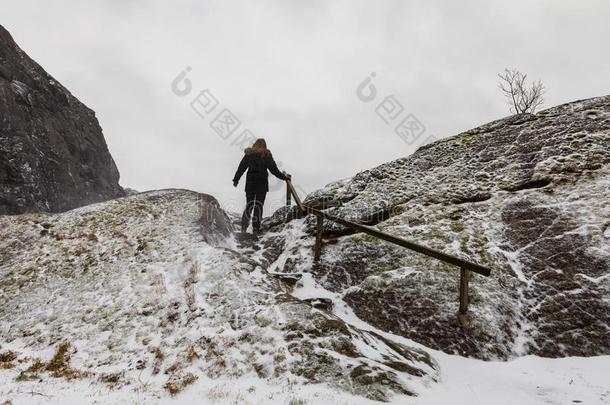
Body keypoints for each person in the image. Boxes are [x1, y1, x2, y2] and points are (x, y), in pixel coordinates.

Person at [232, 138, 288, 235]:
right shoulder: (266, 155)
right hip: (261, 184)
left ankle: (244, 227)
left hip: (250, 183)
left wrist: (236, 179)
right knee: (259, 206)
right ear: (264, 145)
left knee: (249, 205)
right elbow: (273, 170)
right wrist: (284, 177)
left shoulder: (249, 154)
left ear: (255, 145)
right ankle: (256, 229)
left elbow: (241, 168)